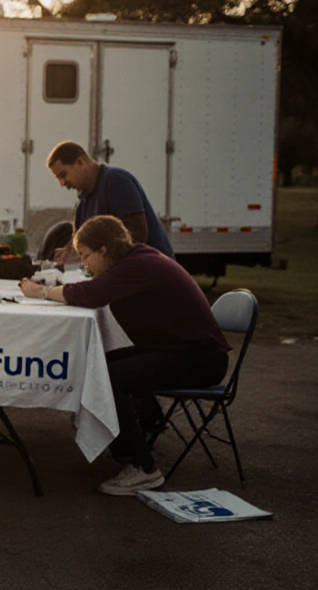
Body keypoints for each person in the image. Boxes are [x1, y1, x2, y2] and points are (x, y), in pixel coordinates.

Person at [18, 215, 230, 496]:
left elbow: (92, 293)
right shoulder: (135, 260)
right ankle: (137, 432)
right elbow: (93, 290)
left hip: (198, 359)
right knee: (98, 367)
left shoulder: (137, 265)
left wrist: (42, 292)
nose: (84, 264)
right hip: (181, 350)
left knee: (105, 377)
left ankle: (142, 468)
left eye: (85, 256)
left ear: (104, 249)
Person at [46, 141, 175, 263]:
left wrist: (98, 260)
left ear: (80, 162)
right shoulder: (82, 205)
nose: (62, 184)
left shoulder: (117, 182)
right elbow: (81, 246)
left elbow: (137, 235)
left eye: (63, 175)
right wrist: (69, 253)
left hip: (152, 272)